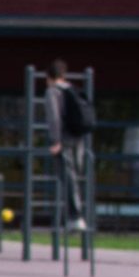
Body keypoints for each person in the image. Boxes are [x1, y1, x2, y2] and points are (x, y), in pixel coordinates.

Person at [47, 60, 92, 234]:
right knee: (75, 176)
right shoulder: (72, 89)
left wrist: (55, 141)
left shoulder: (53, 91)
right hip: (78, 139)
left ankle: (75, 217)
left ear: (48, 77)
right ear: (63, 74)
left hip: (64, 140)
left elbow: (54, 117)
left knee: (68, 177)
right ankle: (77, 216)